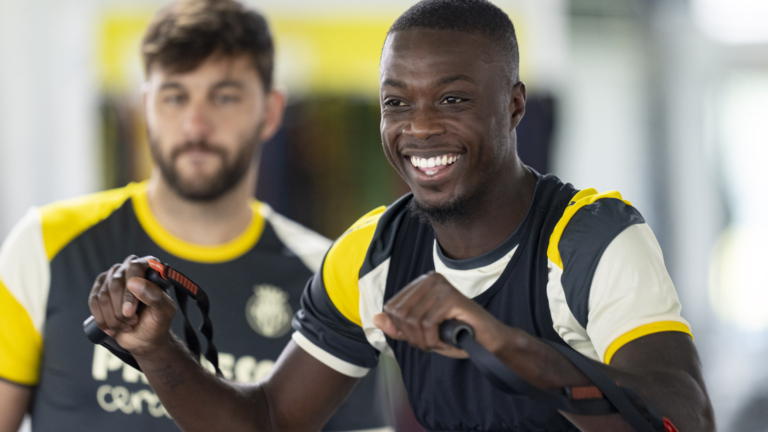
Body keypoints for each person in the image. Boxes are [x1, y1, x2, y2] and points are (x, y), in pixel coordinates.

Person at [86, 0, 717, 431]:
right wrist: (158, 352)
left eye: (452, 98)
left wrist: (505, 345)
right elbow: (273, 421)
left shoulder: (591, 238)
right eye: (397, 102)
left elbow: (682, 417)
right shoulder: (371, 253)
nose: (418, 127)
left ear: (515, 105)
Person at [0, 1, 392, 431]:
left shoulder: (328, 274)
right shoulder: (45, 243)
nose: (195, 124)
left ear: (271, 111)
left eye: (224, 96)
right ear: (146, 106)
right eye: (175, 96)